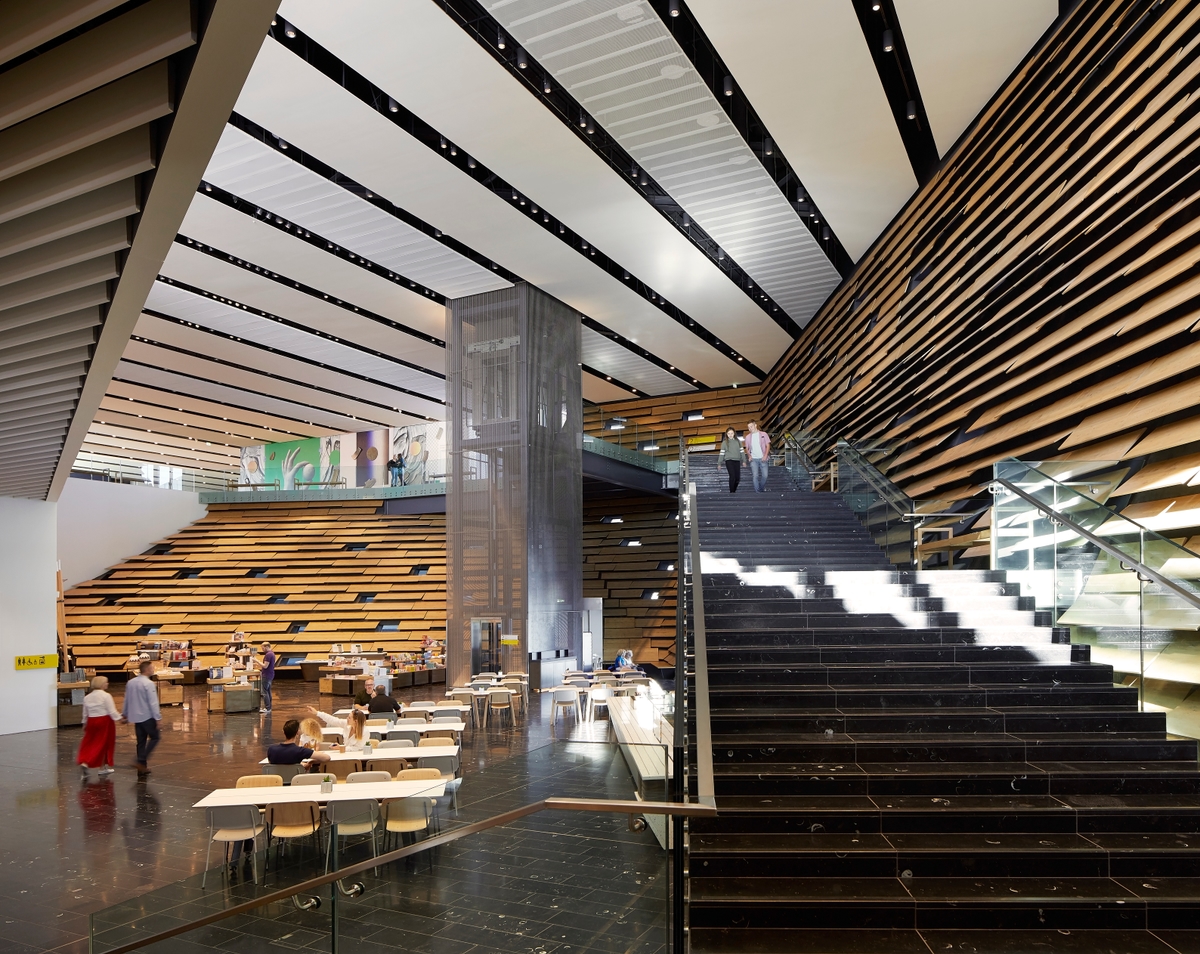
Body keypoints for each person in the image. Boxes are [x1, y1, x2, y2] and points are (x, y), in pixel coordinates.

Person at [122, 660, 161, 775]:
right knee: (155, 737)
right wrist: (158, 718)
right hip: (147, 716)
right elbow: (153, 702)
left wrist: (125, 714)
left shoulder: (131, 683)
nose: (153, 669)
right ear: (147, 670)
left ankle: (142, 767)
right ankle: (140, 761)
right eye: (152, 668)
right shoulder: (149, 684)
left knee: (141, 742)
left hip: (136, 717)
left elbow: (127, 699)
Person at [78, 676, 122, 778]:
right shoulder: (106, 696)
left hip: (91, 721)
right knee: (104, 744)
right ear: (102, 684)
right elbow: (112, 711)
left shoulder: (87, 697)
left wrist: (84, 723)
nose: (107, 684)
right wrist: (120, 718)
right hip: (105, 721)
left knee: (90, 743)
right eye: (106, 683)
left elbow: (85, 713)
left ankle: (85, 761)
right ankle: (101, 766)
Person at [716, 427, 745, 493]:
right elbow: (722, 453)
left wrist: (744, 460)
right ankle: (732, 492)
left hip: (737, 461)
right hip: (729, 461)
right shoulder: (724, 443)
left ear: (734, 433)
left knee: (737, 478)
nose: (730, 435)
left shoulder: (738, 442)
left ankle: (733, 490)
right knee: (732, 476)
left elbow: (742, 452)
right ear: (726, 434)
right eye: (729, 433)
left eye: (731, 433)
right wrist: (719, 463)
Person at [745, 420, 771, 493]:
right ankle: (758, 492)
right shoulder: (747, 437)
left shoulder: (763, 434)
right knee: (755, 476)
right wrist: (749, 456)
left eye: (751, 426)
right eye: (748, 427)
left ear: (755, 425)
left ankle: (760, 488)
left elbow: (768, 445)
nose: (750, 429)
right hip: (754, 459)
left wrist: (765, 455)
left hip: (763, 458)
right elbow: (747, 448)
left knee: (765, 476)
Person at [257, 641, 276, 713]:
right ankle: (269, 707)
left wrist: (256, 661)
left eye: (263, 648)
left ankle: (267, 708)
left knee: (264, 692)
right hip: (270, 674)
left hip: (266, 675)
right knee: (268, 691)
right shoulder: (272, 654)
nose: (262, 649)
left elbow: (265, 666)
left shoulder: (268, 655)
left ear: (267, 647)